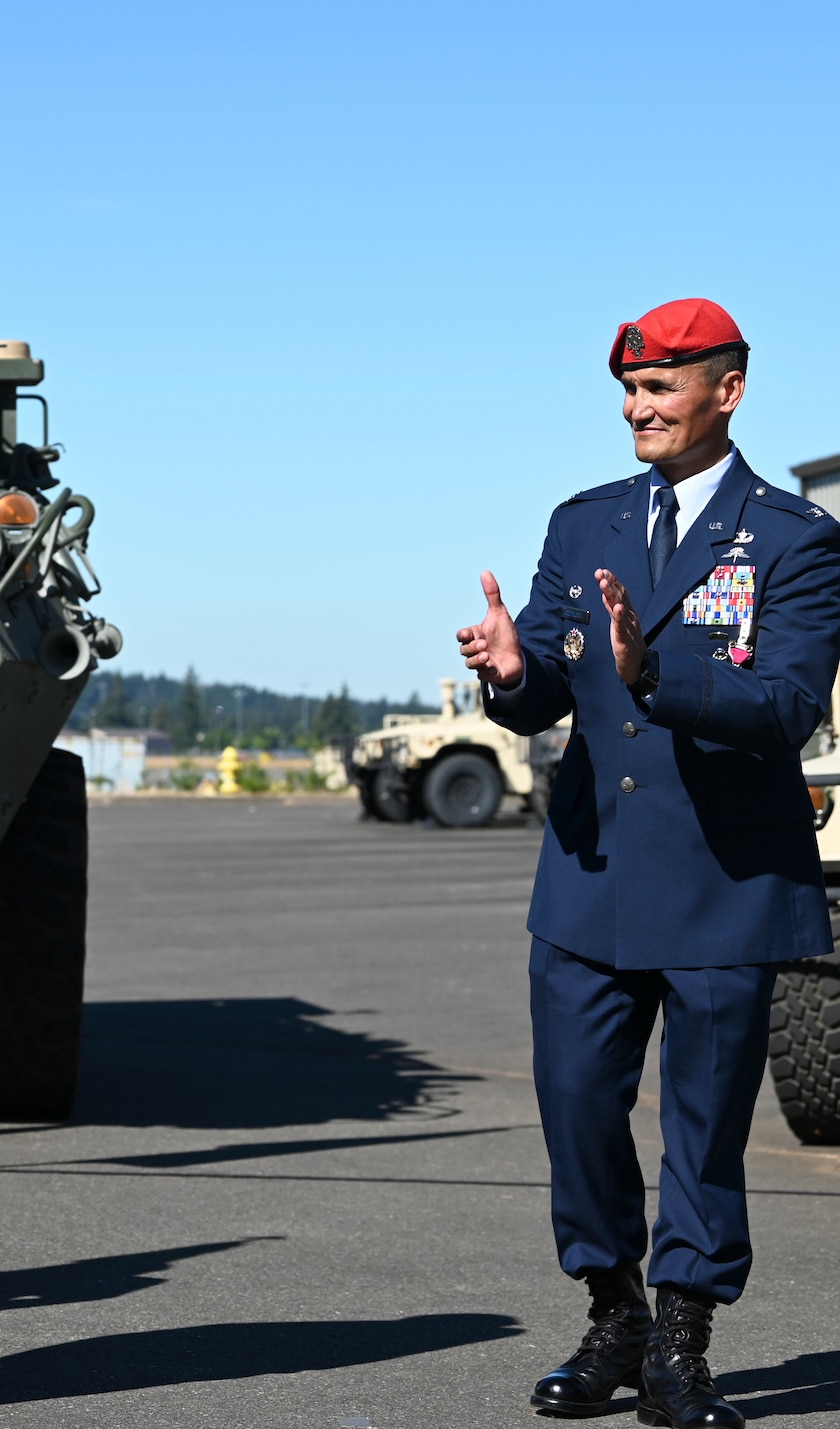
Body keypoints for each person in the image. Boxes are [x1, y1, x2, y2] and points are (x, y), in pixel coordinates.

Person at [458, 298, 840, 1428]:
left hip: (724, 881)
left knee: (701, 1127)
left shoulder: (792, 539)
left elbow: (783, 708)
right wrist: (506, 667)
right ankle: (610, 1306)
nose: (636, 407)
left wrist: (646, 673)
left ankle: (681, 1336)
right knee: (575, 1104)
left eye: (659, 388)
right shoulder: (583, 524)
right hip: (590, 873)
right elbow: (536, 695)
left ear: (725, 390)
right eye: (627, 389)